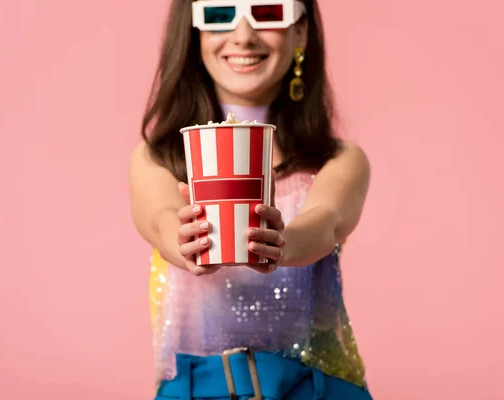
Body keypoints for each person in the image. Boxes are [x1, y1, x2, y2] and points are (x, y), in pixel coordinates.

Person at [129, 0, 373, 398]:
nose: (243, 35)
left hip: (315, 389)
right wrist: (187, 240)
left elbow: (326, 219)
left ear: (301, 32)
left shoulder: (340, 160)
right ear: (193, 32)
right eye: (220, 14)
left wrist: (282, 242)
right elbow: (159, 218)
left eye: (268, 12)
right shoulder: (156, 158)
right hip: (195, 388)